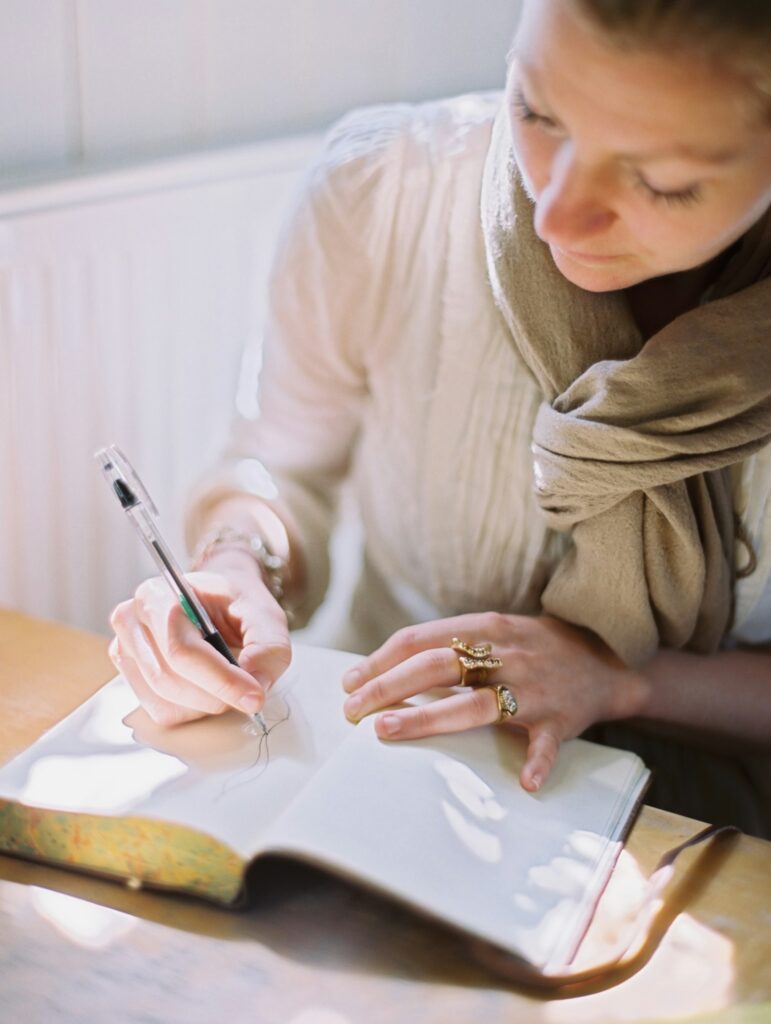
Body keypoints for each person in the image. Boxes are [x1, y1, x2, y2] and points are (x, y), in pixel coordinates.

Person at [108, 0, 771, 836]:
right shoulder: (384, 190)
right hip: (379, 768)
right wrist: (239, 560)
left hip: (714, 835)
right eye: (534, 110)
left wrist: (623, 682)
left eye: (661, 181)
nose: (553, 216)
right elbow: (283, 461)